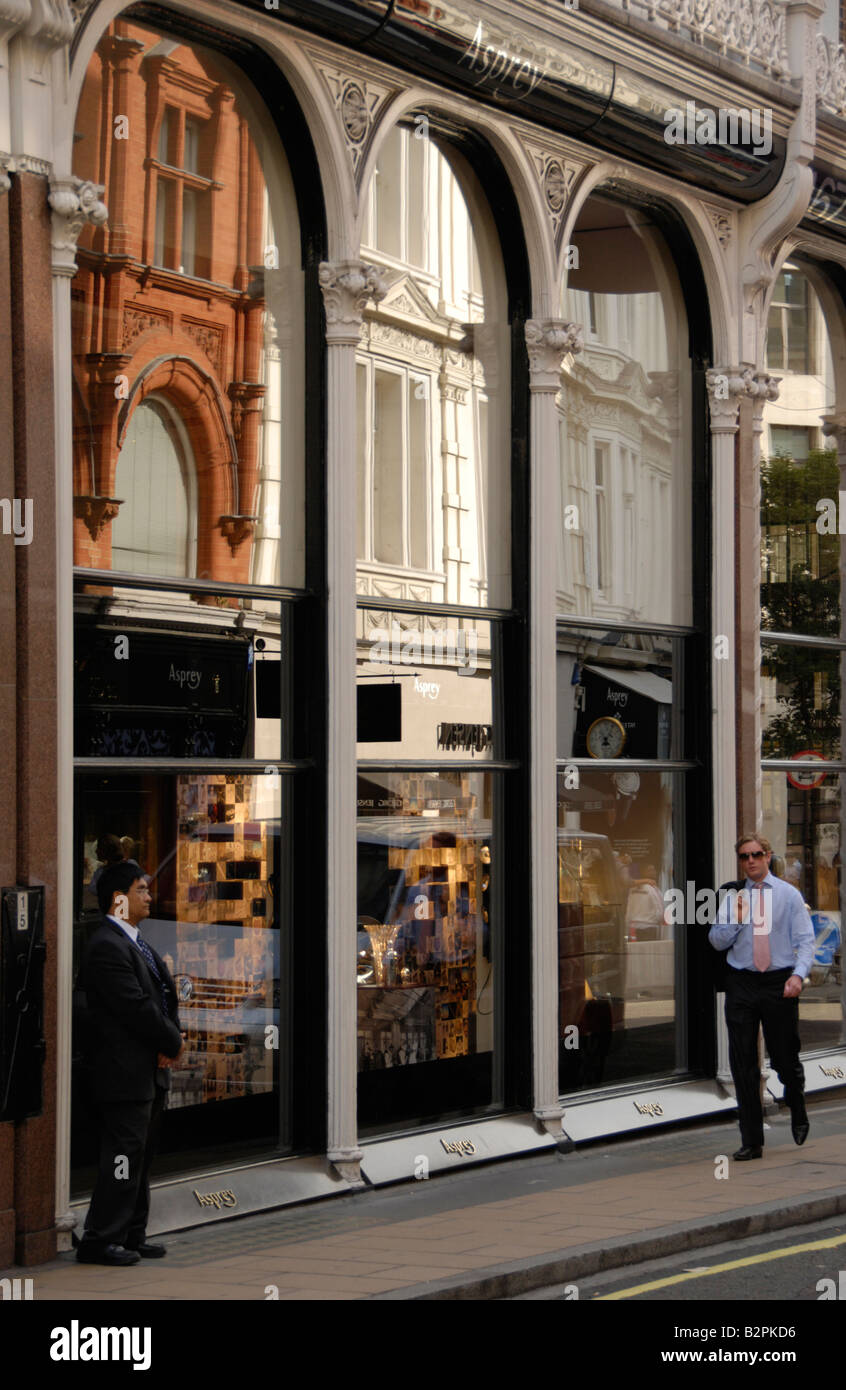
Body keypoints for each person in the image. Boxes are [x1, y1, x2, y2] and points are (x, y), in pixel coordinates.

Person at [76, 860, 183, 1265]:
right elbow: (135, 1006)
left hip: (148, 1070)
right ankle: (100, 1238)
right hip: (122, 1073)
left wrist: (170, 1040)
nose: (149, 896)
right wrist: (173, 1040)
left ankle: (132, 1234)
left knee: (140, 1155)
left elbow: (160, 996)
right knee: (122, 1157)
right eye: (141, 889)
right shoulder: (107, 945)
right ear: (119, 899)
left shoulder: (136, 941)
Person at [709, 832, 815, 1161]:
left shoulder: (788, 895)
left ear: (767, 856)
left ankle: (796, 1103)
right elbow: (716, 941)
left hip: (778, 982)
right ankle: (752, 1140)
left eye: (756, 854)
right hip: (742, 981)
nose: (751, 861)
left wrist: (797, 976)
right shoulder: (732, 897)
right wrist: (737, 920)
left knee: (784, 1057)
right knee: (743, 1064)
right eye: (744, 856)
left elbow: (806, 939)